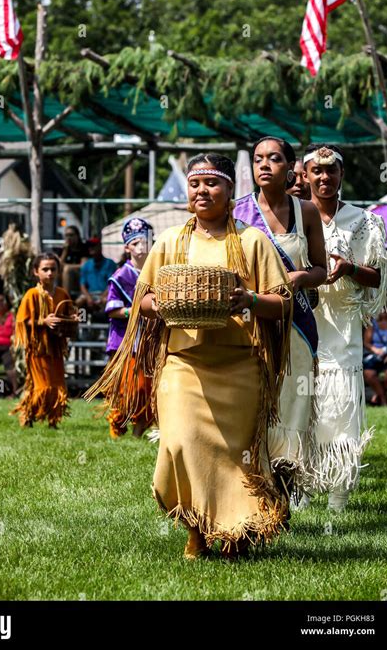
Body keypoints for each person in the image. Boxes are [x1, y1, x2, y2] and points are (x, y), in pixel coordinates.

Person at [86, 153, 293, 560]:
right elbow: (143, 299)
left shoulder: (252, 241)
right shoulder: (169, 243)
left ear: (231, 191)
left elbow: (282, 302)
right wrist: (160, 306)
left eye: (212, 183)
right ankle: (196, 529)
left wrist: (248, 299)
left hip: (239, 365)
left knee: (236, 456)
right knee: (179, 445)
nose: (202, 191)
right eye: (195, 183)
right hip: (183, 365)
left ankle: (237, 531)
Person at [234, 137, 327, 500]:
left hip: (296, 328)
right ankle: (249, 490)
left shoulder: (305, 212)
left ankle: (283, 493)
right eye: (258, 159)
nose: (264, 165)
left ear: (291, 168)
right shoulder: (238, 212)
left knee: (291, 407)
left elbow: (321, 269)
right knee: (252, 405)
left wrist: (302, 277)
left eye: (274, 158)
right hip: (250, 324)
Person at [303, 144, 387, 511]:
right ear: (305, 176)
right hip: (304, 324)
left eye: (331, 171)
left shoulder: (363, 220)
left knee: (340, 408)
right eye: (316, 172)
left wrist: (349, 268)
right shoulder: (293, 217)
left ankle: (337, 496)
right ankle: (300, 489)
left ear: (341, 175)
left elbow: (378, 277)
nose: (324, 178)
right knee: (301, 406)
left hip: (344, 328)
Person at [11, 253, 77, 429]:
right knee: (40, 384)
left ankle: (53, 419)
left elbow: (69, 313)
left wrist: (72, 318)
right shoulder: (31, 294)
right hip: (38, 348)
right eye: (45, 269)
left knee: (56, 383)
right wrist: (43, 322)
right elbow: (22, 321)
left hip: (55, 348)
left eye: (53, 269)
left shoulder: (62, 293)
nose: (49, 273)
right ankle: (29, 414)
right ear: (35, 272)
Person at [104, 217, 154, 439]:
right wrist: (133, 311)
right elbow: (112, 310)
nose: (141, 247)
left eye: (144, 242)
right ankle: (117, 429)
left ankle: (138, 432)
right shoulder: (119, 277)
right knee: (124, 387)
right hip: (124, 340)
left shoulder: (156, 272)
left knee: (146, 387)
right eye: (136, 243)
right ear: (127, 247)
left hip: (148, 339)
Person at [77, 239, 116, 314]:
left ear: (100, 247)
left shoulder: (110, 263)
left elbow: (112, 284)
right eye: (90, 246)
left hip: (105, 294)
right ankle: (80, 323)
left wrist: (102, 297)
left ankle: (108, 323)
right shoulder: (86, 264)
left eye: (94, 246)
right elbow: (82, 285)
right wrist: (88, 298)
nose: (91, 248)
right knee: (78, 302)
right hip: (90, 294)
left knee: (107, 301)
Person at [363, 311, 387, 406]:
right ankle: (382, 399)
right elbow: (366, 343)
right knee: (369, 374)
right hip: (374, 355)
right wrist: (376, 350)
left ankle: (380, 395)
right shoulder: (373, 324)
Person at [57, 225, 90, 297]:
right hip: (65, 277)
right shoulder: (63, 249)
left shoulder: (83, 248)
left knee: (67, 270)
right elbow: (58, 265)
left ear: (77, 236)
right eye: (66, 235)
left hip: (81, 277)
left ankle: (66, 299)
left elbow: (83, 265)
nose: (68, 238)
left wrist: (67, 266)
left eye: (71, 235)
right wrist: (65, 252)